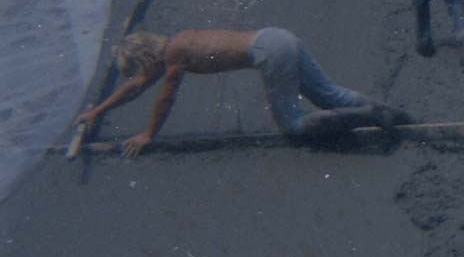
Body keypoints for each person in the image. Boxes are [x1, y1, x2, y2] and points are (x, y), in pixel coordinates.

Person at [74, 29, 408, 159]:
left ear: (145, 57)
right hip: (278, 38)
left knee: (293, 125)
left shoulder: (176, 54)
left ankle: (369, 116)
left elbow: (165, 98)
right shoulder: (177, 42)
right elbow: (139, 86)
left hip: (269, 54)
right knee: (329, 95)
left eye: (138, 66)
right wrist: (96, 112)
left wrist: (148, 133)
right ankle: (397, 116)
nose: (141, 74)